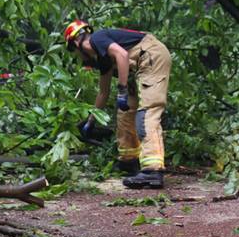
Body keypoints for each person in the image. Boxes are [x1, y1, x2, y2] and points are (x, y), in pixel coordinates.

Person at [65, 20, 171, 189]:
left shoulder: (96, 39)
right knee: (125, 111)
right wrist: (91, 121)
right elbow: (103, 92)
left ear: (76, 43)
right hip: (138, 65)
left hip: (151, 57)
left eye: (73, 51)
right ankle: (129, 161)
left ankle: (153, 171)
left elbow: (122, 55)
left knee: (147, 112)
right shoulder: (103, 57)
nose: (78, 57)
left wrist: (122, 89)